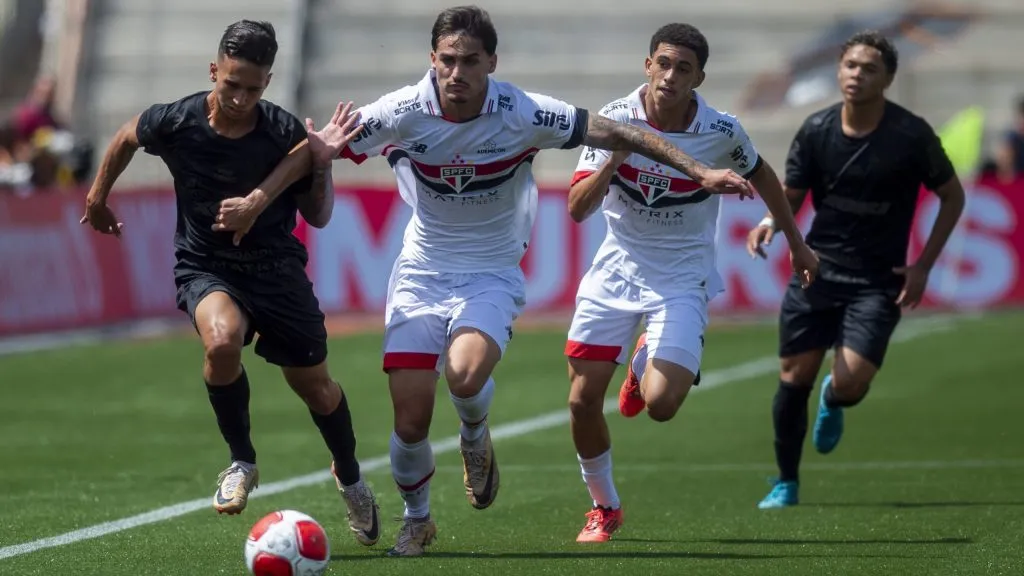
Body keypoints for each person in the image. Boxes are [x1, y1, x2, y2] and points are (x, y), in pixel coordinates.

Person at [214, 5, 755, 557]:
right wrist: (263, 196)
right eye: (448, 59)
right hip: (421, 273)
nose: (457, 72)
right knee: (410, 418)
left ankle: (474, 434)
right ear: (433, 60)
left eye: (471, 60)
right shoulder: (401, 110)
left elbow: (618, 130)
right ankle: (418, 520)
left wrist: (698, 170)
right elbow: (314, 152)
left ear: (491, 62)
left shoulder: (522, 112)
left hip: (492, 271)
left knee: (465, 376)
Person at [78, 20, 381, 546]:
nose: (241, 98)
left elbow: (320, 212)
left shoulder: (285, 133)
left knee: (316, 389)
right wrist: (97, 197)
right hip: (207, 266)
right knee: (220, 342)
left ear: (267, 82)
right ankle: (241, 461)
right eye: (231, 84)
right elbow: (128, 134)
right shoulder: (177, 120)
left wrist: (309, 173)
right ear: (214, 71)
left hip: (277, 271)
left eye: (253, 88)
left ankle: (351, 477)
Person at [563, 23, 818, 542]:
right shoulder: (613, 119)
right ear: (647, 65)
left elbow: (765, 173)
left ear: (700, 76)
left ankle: (643, 363)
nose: (670, 75)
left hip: (681, 278)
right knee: (581, 401)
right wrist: (615, 156)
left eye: (684, 67)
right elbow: (576, 210)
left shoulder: (721, 131)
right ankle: (604, 507)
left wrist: (796, 241)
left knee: (661, 405)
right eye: (663, 63)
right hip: (616, 272)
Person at [747, 30, 965, 509]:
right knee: (792, 377)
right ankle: (787, 481)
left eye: (869, 68)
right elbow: (795, 194)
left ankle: (835, 399)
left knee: (849, 381)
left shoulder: (911, 135)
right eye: (850, 66)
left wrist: (924, 265)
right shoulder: (817, 130)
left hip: (877, 279)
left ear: (887, 78)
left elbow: (953, 195)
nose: (856, 75)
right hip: (817, 270)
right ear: (838, 70)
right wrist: (771, 222)